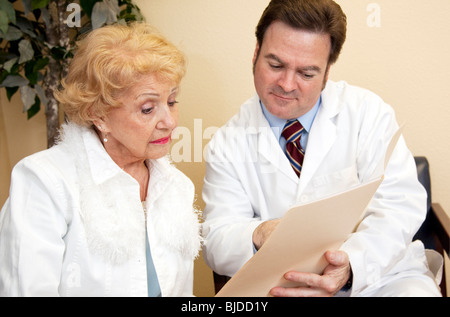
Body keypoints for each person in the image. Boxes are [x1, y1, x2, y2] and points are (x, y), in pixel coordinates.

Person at [202, 0, 442, 297]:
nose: (287, 84)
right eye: (275, 65)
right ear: (255, 54)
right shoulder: (226, 143)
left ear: (327, 72)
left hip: (379, 279)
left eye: (306, 73)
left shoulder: (368, 113)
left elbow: (399, 204)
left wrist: (351, 264)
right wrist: (257, 233)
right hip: (279, 288)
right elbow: (216, 239)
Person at [0, 23, 201, 297]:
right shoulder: (44, 183)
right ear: (99, 115)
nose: (169, 121)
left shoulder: (177, 186)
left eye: (172, 101)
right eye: (147, 108)